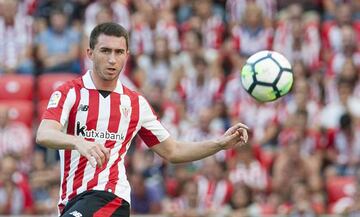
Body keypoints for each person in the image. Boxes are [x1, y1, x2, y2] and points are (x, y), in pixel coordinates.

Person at [36, 22, 249, 217]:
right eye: (105, 51)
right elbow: (44, 134)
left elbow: (172, 151)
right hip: (71, 201)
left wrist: (219, 144)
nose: (112, 59)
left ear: (127, 55)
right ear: (90, 53)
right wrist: (78, 141)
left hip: (110, 197)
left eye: (119, 52)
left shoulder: (135, 103)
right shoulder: (69, 92)